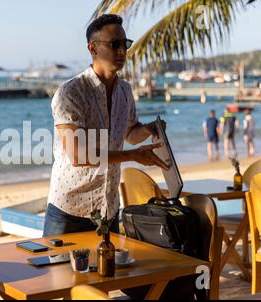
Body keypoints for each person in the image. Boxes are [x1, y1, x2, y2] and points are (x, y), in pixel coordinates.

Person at [43, 14, 169, 237]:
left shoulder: (125, 91)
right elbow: (79, 155)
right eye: (114, 44)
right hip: (70, 211)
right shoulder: (71, 92)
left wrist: (149, 130)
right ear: (93, 48)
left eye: (125, 44)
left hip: (108, 209)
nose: (122, 51)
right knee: (56, 272)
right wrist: (133, 156)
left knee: (109, 272)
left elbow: (130, 133)